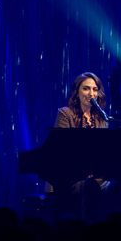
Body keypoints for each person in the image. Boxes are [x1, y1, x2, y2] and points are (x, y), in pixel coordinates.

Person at [47, 72, 110, 222]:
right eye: (86, 88)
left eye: (95, 89)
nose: (91, 93)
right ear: (77, 92)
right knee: (90, 185)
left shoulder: (102, 119)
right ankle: (87, 231)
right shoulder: (65, 113)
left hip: (98, 177)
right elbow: (61, 148)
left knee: (117, 186)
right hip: (71, 179)